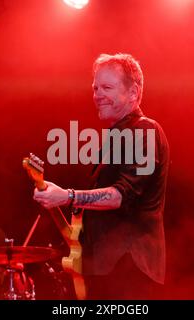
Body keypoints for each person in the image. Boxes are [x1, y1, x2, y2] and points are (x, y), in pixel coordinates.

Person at [33, 53, 169, 299]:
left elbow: (120, 196)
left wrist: (66, 196)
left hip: (128, 268)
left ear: (133, 92)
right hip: (106, 268)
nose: (97, 95)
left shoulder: (144, 131)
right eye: (95, 88)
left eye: (107, 87)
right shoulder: (116, 138)